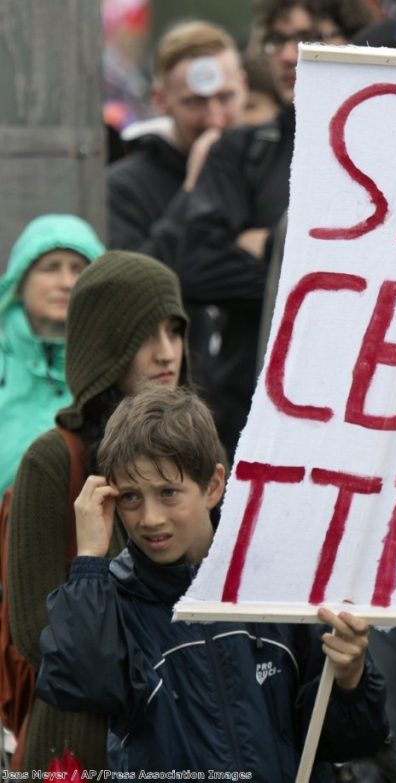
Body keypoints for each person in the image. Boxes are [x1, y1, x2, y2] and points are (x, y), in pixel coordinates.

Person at [35, 385, 388, 778]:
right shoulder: (113, 598)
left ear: (213, 486)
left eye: (168, 493)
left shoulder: (273, 581)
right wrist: (88, 561)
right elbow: (82, 686)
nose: (150, 518)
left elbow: (350, 741)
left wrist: (351, 679)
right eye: (131, 497)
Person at [8, 251, 191, 770]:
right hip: (80, 743)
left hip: (183, 736)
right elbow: (35, 633)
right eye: (144, 335)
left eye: (174, 333)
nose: (166, 354)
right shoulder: (53, 460)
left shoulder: (201, 459)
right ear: (105, 344)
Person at [176, 0, 369, 460]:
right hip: (245, 424)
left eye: (311, 38)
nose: (288, 56)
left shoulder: (388, 158)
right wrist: (306, 269)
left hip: (351, 428)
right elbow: (193, 268)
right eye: (278, 39)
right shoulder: (241, 152)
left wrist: (270, 247)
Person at [106, 20, 246, 262]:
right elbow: (132, 289)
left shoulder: (268, 169)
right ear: (160, 101)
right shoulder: (123, 187)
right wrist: (191, 190)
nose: (214, 120)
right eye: (195, 102)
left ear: (244, 86)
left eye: (225, 97)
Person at [0, 215, 103, 494]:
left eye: (79, 269)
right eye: (50, 268)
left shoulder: (113, 365)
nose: (67, 282)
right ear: (20, 281)